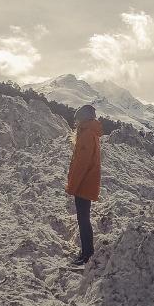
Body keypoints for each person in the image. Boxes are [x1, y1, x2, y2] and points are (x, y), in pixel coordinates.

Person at [65, 104, 102, 266]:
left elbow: (82, 163)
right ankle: (86, 251)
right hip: (86, 181)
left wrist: (73, 186)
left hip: (84, 183)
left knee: (83, 219)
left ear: (82, 118)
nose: (76, 121)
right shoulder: (90, 132)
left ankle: (87, 254)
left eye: (77, 118)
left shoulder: (87, 134)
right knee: (83, 218)